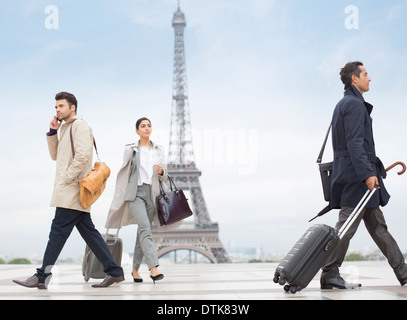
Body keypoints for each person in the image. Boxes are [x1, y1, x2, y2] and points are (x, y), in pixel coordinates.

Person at [13, 92, 124, 289]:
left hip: (72, 189)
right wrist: (52, 132)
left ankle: (41, 276)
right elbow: (55, 155)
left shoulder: (80, 126)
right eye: (56, 107)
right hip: (70, 189)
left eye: (61, 106)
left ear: (72, 108)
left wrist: (67, 179)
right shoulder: (65, 128)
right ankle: (114, 271)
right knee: (89, 233)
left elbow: (82, 157)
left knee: (57, 232)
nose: (57, 110)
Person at [320, 62, 407, 289]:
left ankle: (404, 272)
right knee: (346, 227)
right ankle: (329, 272)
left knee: (378, 227)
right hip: (357, 179)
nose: (370, 79)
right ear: (354, 79)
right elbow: (355, 144)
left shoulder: (343, 104)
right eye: (366, 74)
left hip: (352, 175)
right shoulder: (355, 105)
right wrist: (368, 174)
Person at [105, 117, 167, 283]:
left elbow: (164, 177)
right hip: (135, 194)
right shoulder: (131, 149)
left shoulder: (159, 150)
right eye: (143, 126)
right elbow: (124, 172)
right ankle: (153, 268)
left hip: (152, 195)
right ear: (137, 131)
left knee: (142, 232)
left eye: (149, 126)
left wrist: (161, 172)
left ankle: (134, 270)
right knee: (146, 229)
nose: (147, 128)